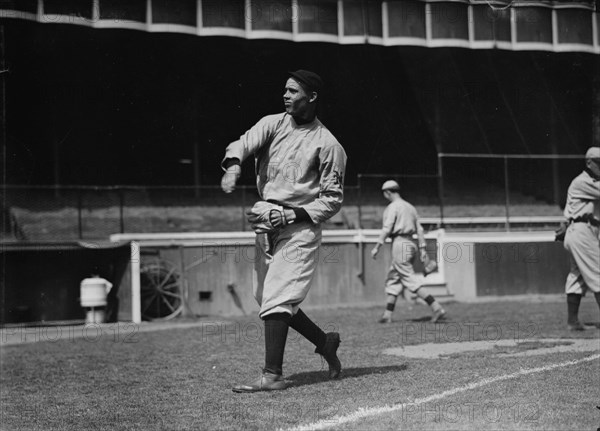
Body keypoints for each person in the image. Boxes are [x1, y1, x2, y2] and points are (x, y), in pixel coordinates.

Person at [220, 70, 347, 392]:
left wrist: (291, 215)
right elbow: (243, 142)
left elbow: (332, 200)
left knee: (277, 297)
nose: (286, 96)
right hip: (266, 221)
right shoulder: (273, 123)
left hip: (300, 228)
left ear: (312, 97)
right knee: (267, 298)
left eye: (293, 91)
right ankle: (325, 341)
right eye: (285, 91)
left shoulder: (329, 145)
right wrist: (234, 165)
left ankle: (272, 375)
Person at [371, 180, 446, 324]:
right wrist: (423, 248)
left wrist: (377, 246)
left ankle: (437, 308)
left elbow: (387, 228)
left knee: (409, 279)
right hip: (411, 243)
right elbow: (420, 229)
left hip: (399, 243)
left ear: (387, 192)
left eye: (384, 194)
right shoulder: (410, 207)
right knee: (394, 279)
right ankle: (387, 315)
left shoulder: (393, 207)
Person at [562, 146, 600, 331]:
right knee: (598, 272)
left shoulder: (591, 181)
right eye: (598, 163)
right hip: (582, 229)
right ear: (588, 162)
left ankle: (573, 322)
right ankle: (572, 322)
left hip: (581, 230)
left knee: (577, 277)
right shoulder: (583, 181)